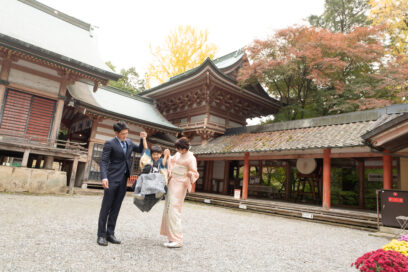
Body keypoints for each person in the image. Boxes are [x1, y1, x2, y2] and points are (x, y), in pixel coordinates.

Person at [97, 121, 146, 246]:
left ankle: (110, 233)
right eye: (123, 134)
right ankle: (101, 235)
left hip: (124, 179)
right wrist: (104, 177)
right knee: (106, 208)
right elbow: (103, 161)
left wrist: (142, 138)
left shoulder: (129, 142)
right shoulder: (110, 143)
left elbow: (140, 149)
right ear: (116, 133)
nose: (125, 136)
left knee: (116, 207)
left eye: (126, 133)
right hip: (112, 178)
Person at [160, 137, 199, 248]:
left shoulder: (191, 158)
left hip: (181, 184)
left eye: (179, 149)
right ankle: (171, 237)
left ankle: (178, 239)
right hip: (173, 182)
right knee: (168, 209)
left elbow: (195, 173)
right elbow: (172, 161)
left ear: (185, 148)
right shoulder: (178, 154)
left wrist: (190, 174)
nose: (178, 151)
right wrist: (167, 155)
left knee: (174, 210)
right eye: (177, 149)